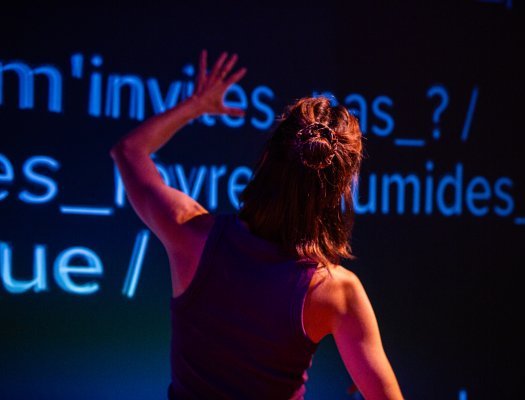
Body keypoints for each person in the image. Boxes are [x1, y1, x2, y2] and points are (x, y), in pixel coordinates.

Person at [110, 50, 404, 400]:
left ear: (267, 157)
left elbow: (128, 152)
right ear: (341, 190)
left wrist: (195, 105)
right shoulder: (336, 292)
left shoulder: (191, 232)